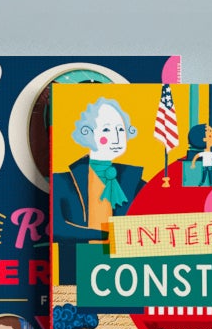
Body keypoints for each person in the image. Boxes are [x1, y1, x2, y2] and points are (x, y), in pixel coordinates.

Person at [54, 98, 147, 247]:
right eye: (106, 130)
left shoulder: (132, 180)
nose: (116, 139)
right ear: (87, 133)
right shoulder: (62, 181)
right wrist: (107, 234)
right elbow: (57, 229)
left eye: (121, 130)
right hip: (79, 263)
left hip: (123, 265)